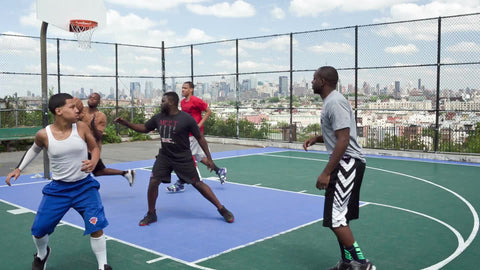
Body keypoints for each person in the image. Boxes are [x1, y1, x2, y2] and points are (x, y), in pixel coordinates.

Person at [5, 93, 112, 270]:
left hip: (84, 187)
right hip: (59, 189)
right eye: (72, 107)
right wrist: (18, 168)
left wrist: (93, 161)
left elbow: (94, 147)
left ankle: (103, 265)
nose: (77, 109)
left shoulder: (82, 128)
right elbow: (34, 150)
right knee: (39, 230)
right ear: (59, 111)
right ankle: (42, 254)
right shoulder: (44, 134)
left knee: (96, 225)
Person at [114, 92, 234, 226]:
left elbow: (200, 138)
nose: (161, 103)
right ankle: (151, 214)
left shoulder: (186, 119)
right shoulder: (158, 117)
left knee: (198, 184)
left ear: (171, 102)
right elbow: (144, 128)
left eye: (163, 101)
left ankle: (221, 209)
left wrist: (210, 159)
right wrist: (126, 123)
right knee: (153, 181)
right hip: (164, 157)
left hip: (183, 158)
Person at [303, 67, 375, 270]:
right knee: (338, 218)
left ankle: (362, 264)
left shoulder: (334, 102)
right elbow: (337, 134)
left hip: (347, 163)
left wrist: (326, 172)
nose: (311, 82)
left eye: (314, 78)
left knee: (336, 219)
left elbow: (343, 139)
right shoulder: (330, 102)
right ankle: (347, 263)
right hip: (345, 163)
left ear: (323, 81)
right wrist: (318, 138)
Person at [166, 81, 227, 193]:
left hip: (194, 134)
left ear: (191, 90)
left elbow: (208, 111)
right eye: (182, 88)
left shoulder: (196, 101)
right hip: (187, 133)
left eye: (185, 88)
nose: (182, 90)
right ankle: (219, 170)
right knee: (199, 157)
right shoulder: (183, 102)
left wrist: (199, 125)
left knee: (184, 157)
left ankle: (184, 182)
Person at [75, 93, 135, 186]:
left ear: (98, 102)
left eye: (94, 98)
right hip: (80, 145)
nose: (91, 99)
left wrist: (93, 126)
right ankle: (125, 173)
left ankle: (84, 191)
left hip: (91, 148)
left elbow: (99, 136)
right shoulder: (82, 111)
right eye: (90, 97)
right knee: (98, 172)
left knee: (85, 170)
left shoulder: (100, 116)